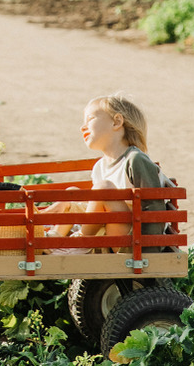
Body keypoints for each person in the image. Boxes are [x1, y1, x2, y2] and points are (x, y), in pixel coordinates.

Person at [42, 94, 172, 254]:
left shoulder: (135, 160)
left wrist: (149, 251)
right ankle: (53, 240)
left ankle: (78, 244)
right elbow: (97, 210)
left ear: (117, 122)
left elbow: (153, 207)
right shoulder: (99, 167)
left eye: (90, 119)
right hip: (108, 236)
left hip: (134, 242)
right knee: (73, 194)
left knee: (104, 188)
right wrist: (70, 204)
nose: (82, 127)